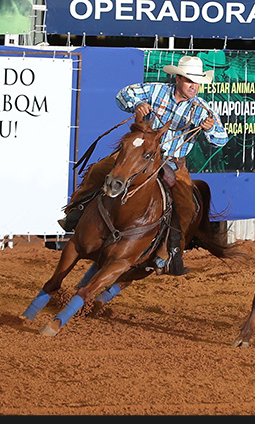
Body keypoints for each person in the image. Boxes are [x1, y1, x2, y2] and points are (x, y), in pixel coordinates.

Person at [59, 55, 228, 275]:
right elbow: (123, 96)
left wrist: (208, 128)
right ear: (177, 79)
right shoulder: (155, 91)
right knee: (99, 170)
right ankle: (76, 212)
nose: (193, 86)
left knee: (187, 207)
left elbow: (221, 138)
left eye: (197, 82)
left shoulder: (201, 109)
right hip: (140, 156)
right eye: (189, 81)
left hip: (173, 163)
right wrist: (137, 104)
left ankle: (166, 253)